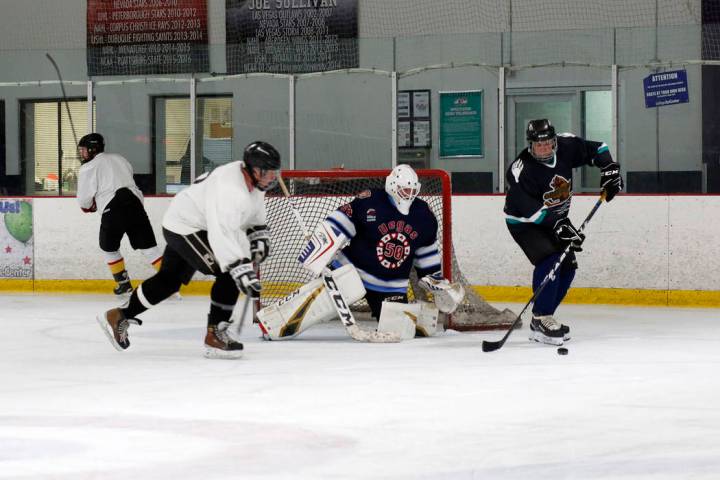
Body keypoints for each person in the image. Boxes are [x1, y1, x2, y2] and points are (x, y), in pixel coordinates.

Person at [95, 141, 281, 359]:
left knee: (169, 281)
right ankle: (215, 334)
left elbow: (254, 216)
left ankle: (119, 315)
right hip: (187, 227)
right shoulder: (230, 189)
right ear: (254, 169)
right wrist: (241, 269)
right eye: (268, 172)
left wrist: (259, 236)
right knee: (229, 272)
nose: (272, 177)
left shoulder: (252, 182)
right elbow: (221, 234)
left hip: (184, 219)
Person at [257, 164, 464, 341]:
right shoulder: (370, 201)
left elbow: (426, 254)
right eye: (403, 190)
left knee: (401, 329)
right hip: (350, 269)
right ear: (392, 186)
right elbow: (339, 221)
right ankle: (273, 324)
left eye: (412, 191)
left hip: (390, 285)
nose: (408, 195)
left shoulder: (423, 215)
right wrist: (320, 248)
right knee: (316, 305)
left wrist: (435, 281)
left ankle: (417, 317)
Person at [504, 119, 623, 346]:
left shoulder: (566, 146)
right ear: (530, 145)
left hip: (555, 218)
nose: (545, 149)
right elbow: (526, 208)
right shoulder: (521, 170)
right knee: (550, 259)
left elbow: (599, 148)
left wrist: (608, 168)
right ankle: (541, 318)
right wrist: (558, 225)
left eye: (548, 143)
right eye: (539, 145)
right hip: (525, 222)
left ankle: (543, 315)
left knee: (568, 266)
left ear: (554, 141)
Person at [76, 133, 163, 296]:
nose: (82, 154)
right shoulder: (120, 159)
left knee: (108, 248)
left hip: (113, 208)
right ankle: (170, 282)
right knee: (150, 248)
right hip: (135, 205)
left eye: (84, 150)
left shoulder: (88, 167)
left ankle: (123, 284)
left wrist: (89, 206)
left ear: (93, 149)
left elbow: (84, 202)